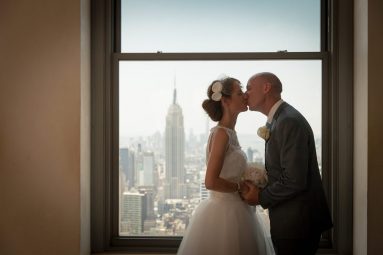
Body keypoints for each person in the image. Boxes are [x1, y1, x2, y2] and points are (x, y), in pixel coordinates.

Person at [177, 77, 274, 255]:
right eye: (239, 92)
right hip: (225, 214)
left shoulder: (229, 133)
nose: (245, 95)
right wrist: (240, 186)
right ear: (225, 100)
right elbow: (210, 182)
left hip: (239, 209)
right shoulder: (221, 134)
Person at [241, 72, 333, 255]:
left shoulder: (288, 121)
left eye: (249, 88)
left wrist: (260, 197)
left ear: (266, 88)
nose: (245, 94)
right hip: (291, 221)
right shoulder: (281, 119)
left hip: (297, 223)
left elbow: (294, 179)